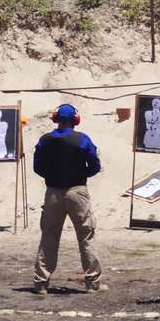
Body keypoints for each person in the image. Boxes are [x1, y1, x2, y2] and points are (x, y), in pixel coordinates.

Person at [32, 103, 106, 295]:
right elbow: (95, 166)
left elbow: (38, 168)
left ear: (56, 119)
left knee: (49, 235)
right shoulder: (82, 139)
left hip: (52, 193)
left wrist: (54, 175)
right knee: (86, 236)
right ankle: (92, 283)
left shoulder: (44, 140)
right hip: (77, 192)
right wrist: (80, 173)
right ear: (75, 120)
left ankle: (41, 283)